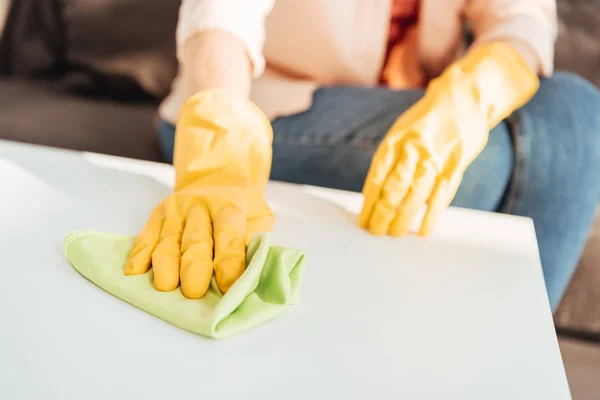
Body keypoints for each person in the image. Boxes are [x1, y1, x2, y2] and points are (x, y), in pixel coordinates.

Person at [125, 0, 600, 312]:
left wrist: (468, 100)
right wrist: (220, 130)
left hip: (404, 109)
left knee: (574, 115)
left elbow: (521, 19)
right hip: (267, 106)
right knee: (498, 160)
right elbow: (224, 14)